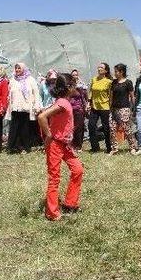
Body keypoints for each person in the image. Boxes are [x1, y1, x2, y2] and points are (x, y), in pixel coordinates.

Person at [37, 73, 84, 221]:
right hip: (56, 145)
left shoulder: (64, 101)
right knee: (54, 178)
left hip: (65, 144)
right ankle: (52, 213)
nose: (76, 87)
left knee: (78, 170)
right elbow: (42, 117)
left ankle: (70, 203)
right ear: (69, 87)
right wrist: (49, 135)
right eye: (74, 84)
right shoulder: (63, 102)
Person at [6, 62, 42, 153]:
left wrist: (37, 105)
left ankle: (25, 147)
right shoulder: (13, 79)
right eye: (16, 68)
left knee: (25, 128)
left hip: (26, 108)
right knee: (14, 128)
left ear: (23, 69)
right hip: (15, 108)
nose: (17, 70)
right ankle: (13, 147)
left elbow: (36, 93)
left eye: (19, 68)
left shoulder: (30, 80)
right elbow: (9, 93)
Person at [109, 63, 137, 155]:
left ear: (122, 72)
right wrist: (110, 107)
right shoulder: (114, 82)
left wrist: (134, 108)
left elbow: (132, 96)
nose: (115, 73)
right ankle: (114, 148)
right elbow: (111, 96)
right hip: (114, 109)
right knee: (112, 128)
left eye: (116, 71)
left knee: (126, 128)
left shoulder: (128, 82)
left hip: (124, 108)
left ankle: (132, 147)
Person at [87, 62, 113, 153]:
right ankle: (95, 147)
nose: (99, 69)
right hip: (94, 107)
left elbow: (111, 95)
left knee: (106, 128)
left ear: (106, 70)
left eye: (101, 67)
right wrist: (88, 103)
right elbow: (91, 92)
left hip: (105, 107)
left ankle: (109, 148)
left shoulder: (109, 82)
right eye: (98, 67)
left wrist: (111, 107)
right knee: (91, 126)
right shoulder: (94, 79)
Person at [69, 69, 88, 151]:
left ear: (78, 75)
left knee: (79, 127)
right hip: (70, 109)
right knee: (71, 127)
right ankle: (72, 144)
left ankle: (79, 145)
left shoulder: (82, 85)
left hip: (79, 109)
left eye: (76, 75)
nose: (74, 76)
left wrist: (86, 105)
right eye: (73, 75)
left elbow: (85, 96)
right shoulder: (69, 85)